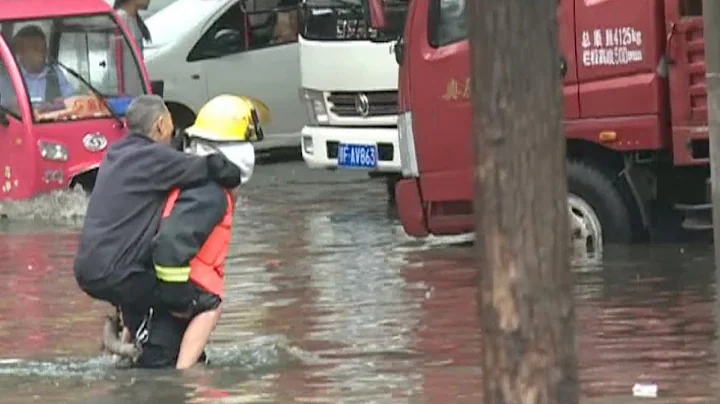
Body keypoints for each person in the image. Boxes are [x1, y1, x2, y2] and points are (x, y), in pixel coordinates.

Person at [74, 94, 243, 348]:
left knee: (144, 291)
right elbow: (209, 167)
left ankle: (124, 335)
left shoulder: (115, 154)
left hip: (89, 269)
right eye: (171, 129)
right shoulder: (151, 157)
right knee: (202, 301)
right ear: (161, 125)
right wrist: (234, 177)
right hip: (119, 272)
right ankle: (185, 374)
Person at [125, 94, 261, 369]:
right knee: (212, 308)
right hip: (173, 308)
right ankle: (185, 377)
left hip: (160, 311)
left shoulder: (191, 185)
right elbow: (169, 245)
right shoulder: (209, 195)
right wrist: (179, 300)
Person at [0, 25, 74, 109]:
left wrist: (62, 103)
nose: (40, 53)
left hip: (51, 121)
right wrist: (10, 104)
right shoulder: (8, 77)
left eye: (42, 48)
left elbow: (72, 100)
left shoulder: (56, 74)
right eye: (35, 48)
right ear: (20, 52)